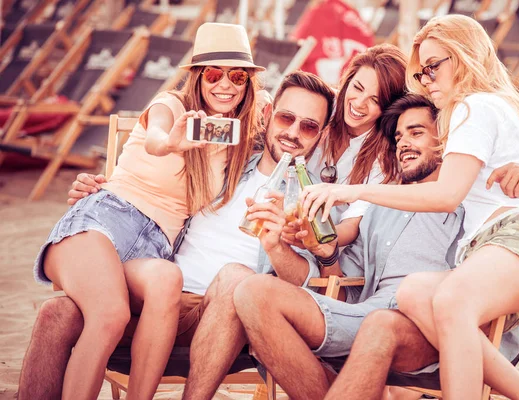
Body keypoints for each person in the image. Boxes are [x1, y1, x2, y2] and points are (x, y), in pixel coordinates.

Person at [300, 15, 519, 400]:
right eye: (421, 74)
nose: (427, 81)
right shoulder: (500, 107)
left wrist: (354, 192)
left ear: (465, 56)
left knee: (452, 300)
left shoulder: (473, 108)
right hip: (492, 246)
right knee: (415, 292)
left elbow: (445, 196)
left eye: (433, 67)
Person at [234, 93, 519, 400]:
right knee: (253, 291)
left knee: (381, 325)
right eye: (398, 136)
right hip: (361, 314)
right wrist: (321, 252)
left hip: (428, 332)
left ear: (447, 141)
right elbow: (344, 281)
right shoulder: (380, 204)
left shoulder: (473, 202)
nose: (403, 143)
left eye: (416, 133)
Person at [18, 71, 336, 400]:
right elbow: (149, 185)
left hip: (215, 313)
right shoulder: (224, 161)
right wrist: (99, 187)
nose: (293, 133)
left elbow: (309, 281)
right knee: (56, 314)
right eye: (286, 118)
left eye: (309, 126)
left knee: (233, 277)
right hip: (151, 293)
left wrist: (276, 247)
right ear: (269, 115)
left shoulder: (310, 198)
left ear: (322, 133)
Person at [27, 22, 262, 400]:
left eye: (237, 76)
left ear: (249, 83)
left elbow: (303, 110)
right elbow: (155, 140)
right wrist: (171, 143)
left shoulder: (236, 135)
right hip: (106, 221)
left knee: (167, 278)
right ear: (198, 78)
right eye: (214, 74)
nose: (225, 85)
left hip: (155, 247)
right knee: (110, 314)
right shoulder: (171, 107)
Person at [301, 44, 408, 246]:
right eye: (357, 88)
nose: (359, 103)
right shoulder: (321, 108)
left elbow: (351, 226)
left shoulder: (385, 158)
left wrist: (311, 239)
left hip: (328, 248)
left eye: (375, 100)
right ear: (348, 80)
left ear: (389, 108)